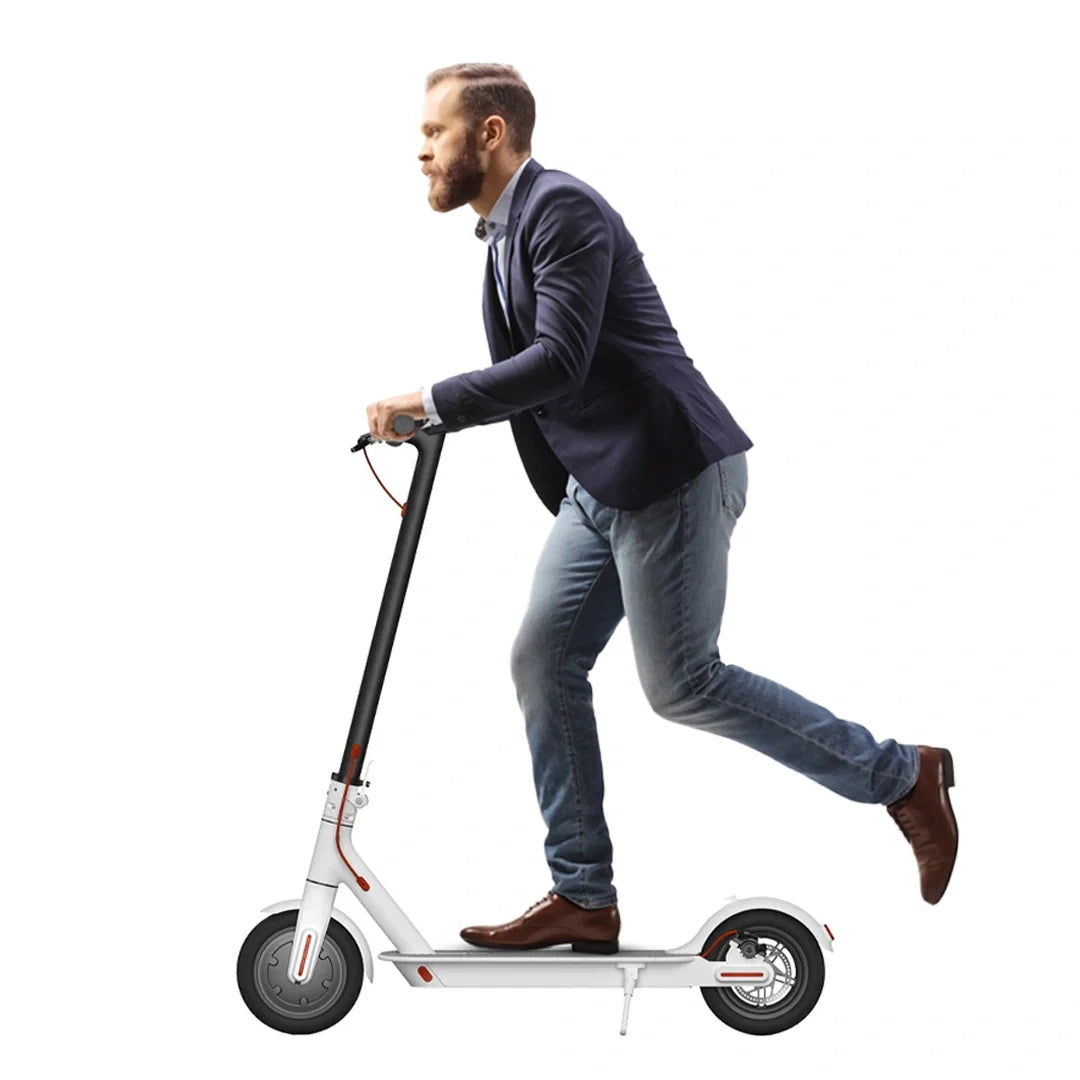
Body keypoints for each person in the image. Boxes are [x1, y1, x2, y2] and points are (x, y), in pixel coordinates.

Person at [366, 63, 959, 953]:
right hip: (601, 483)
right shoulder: (505, 233)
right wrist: (445, 416)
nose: (420, 150)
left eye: (433, 131)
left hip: (669, 469)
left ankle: (901, 775)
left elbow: (559, 360)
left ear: (491, 133)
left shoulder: (561, 209)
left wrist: (431, 399)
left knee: (682, 684)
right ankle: (583, 895)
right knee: (542, 660)